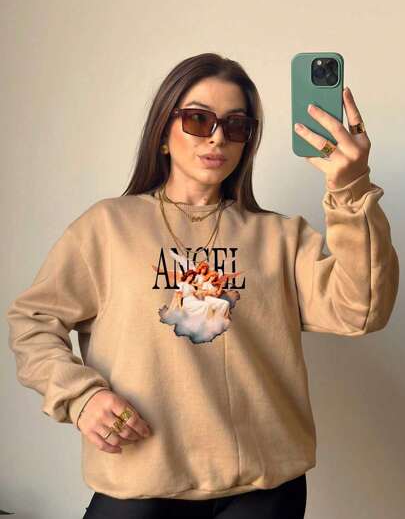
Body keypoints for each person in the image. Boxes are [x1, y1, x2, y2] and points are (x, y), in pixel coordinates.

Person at [6, 52, 399, 518]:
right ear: (163, 133)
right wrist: (81, 397)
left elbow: (361, 310)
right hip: (141, 476)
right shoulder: (107, 227)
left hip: (265, 488)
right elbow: (33, 321)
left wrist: (351, 188)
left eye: (236, 125)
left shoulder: (280, 236)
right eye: (198, 119)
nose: (217, 137)